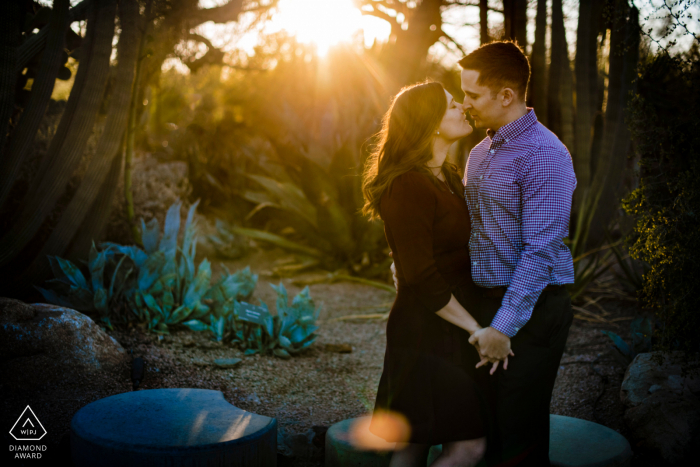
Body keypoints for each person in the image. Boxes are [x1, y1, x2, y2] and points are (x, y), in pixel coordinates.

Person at [362, 81, 512, 467]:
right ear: (429, 124)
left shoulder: (445, 174)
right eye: (450, 106)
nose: (462, 107)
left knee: (415, 442)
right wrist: (474, 329)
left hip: (445, 324)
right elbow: (421, 274)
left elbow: (423, 252)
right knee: (465, 447)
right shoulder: (408, 183)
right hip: (427, 331)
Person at [461, 41, 576, 466]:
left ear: (505, 96)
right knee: (485, 426)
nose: (465, 104)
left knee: (518, 436)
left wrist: (503, 327)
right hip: (487, 307)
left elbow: (541, 250)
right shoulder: (478, 153)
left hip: (534, 310)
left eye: (472, 95)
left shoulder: (545, 154)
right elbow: (475, 231)